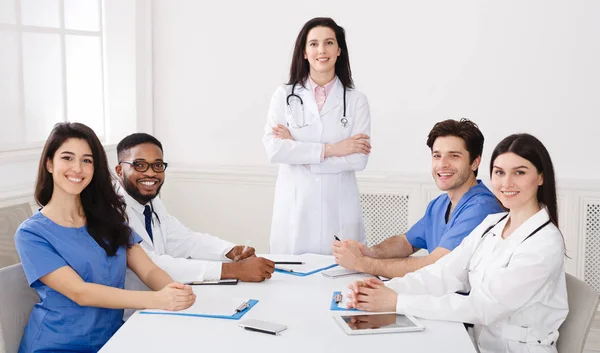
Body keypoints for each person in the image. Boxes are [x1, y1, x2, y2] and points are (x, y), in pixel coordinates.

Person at [347, 133, 568, 353]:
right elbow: (444, 273)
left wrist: (397, 302)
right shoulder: (492, 225)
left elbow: (484, 307)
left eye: (519, 172)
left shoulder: (545, 243)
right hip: (476, 343)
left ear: (541, 177)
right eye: (499, 172)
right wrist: (382, 289)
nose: (507, 182)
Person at [15, 123, 195, 353]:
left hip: (113, 341)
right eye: (67, 158)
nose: (77, 168)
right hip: (55, 346)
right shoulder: (31, 234)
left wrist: (174, 291)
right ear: (49, 164)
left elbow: (148, 270)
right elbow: (81, 293)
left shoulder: (109, 219)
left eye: (87, 160)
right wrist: (159, 300)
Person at [115, 133, 275, 316]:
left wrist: (229, 251)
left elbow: (186, 240)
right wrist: (234, 270)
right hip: (129, 317)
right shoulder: (113, 210)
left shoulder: (152, 202)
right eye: (140, 165)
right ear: (120, 170)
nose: (151, 173)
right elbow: (151, 264)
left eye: (158, 165)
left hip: (163, 304)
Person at [333, 119, 503, 278]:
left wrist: (363, 263)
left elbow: (435, 265)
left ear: (475, 162)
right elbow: (406, 242)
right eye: (437, 155)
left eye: (454, 156)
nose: (442, 164)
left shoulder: (482, 208)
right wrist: (370, 252)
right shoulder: (439, 204)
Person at [263, 17, 372, 255]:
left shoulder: (356, 101)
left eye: (329, 43)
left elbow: (358, 160)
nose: (321, 50)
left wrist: (298, 149)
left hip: (339, 211)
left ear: (339, 50)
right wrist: (334, 149)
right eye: (313, 44)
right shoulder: (283, 96)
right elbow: (274, 150)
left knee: (340, 284)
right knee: (290, 285)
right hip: (295, 211)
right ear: (304, 52)